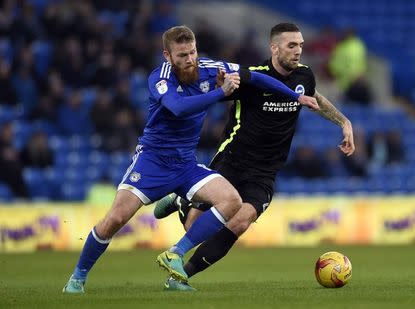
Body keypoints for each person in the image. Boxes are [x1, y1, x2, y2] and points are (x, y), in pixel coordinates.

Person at [62, 25, 319, 294]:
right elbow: (178, 108)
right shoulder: (159, 78)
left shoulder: (210, 67)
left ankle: (176, 252)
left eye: (193, 52)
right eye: (182, 55)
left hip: (186, 164)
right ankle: (78, 277)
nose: (189, 60)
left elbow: (255, 78)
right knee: (115, 219)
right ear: (167, 56)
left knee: (231, 201)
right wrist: (221, 93)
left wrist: (295, 96)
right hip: (153, 162)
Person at [154, 23, 355, 291]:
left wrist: (343, 122)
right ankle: (183, 199)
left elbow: (313, 97)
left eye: (301, 45)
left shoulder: (305, 75)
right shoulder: (252, 77)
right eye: (291, 45)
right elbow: (211, 89)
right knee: (194, 226)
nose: (298, 51)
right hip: (233, 159)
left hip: (265, 171)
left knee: (240, 222)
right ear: (274, 48)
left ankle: (181, 277)